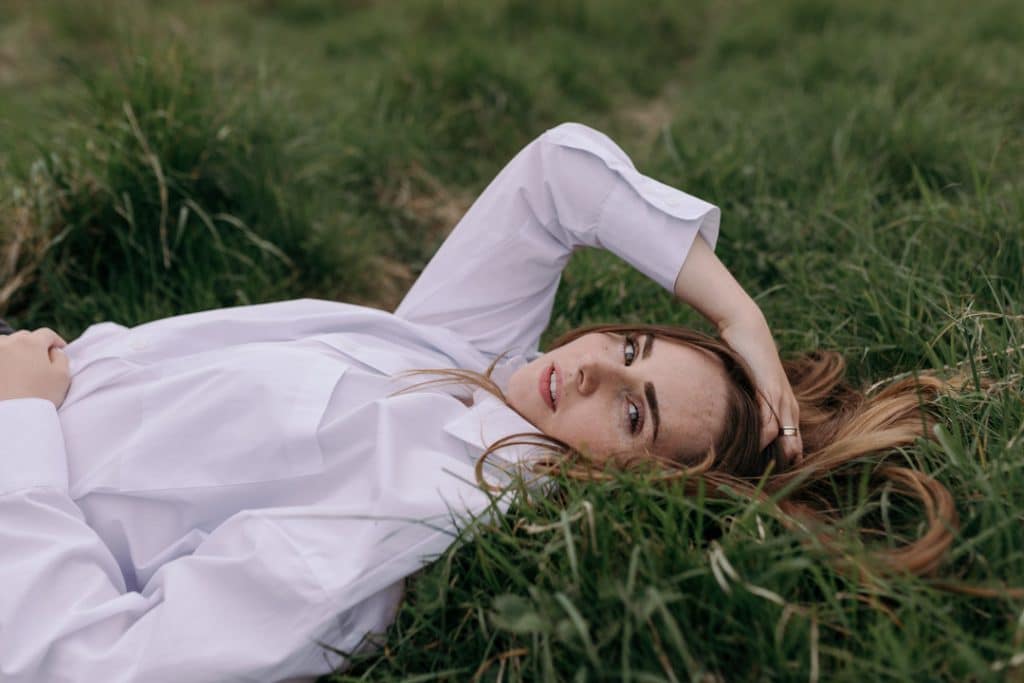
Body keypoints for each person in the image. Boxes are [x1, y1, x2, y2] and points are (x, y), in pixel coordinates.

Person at [0, 123, 953, 682]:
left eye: (633, 414)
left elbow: (86, 662)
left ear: (629, 492)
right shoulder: (468, 359)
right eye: (629, 346)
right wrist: (736, 313)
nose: (588, 371)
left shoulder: (409, 514)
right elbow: (559, 174)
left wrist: (24, 421)